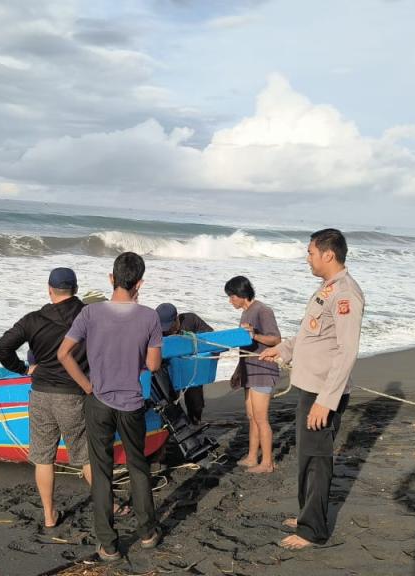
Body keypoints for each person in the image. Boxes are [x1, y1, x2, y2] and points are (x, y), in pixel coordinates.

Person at [259, 228, 364, 550]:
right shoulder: (326, 290)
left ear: (328, 254)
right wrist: (284, 350)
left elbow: (347, 351)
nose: (307, 258)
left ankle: (313, 530)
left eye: (310, 253)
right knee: (306, 457)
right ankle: (307, 515)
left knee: (318, 460)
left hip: (322, 393)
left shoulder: (346, 294)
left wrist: (326, 401)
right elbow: (312, 336)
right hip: (308, 386)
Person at [58, 252, 163, 560]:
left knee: (101, 471)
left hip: (99, 400)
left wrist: (87, 385)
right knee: (137, 466)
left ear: (110, 278)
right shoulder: (149, 316)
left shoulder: (90, 314)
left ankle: (108, 543)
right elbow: (154, 365)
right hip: (131, 403)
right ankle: (147, 533)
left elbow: (64, 354)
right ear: (140, 283)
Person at [0, 267, 91, 530]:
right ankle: (111, 505)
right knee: (85, 457)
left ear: (49, 289)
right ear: (76, 289)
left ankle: (49, 516)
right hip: (73, 395)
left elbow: (2, 347)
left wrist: (24, 369)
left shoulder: (33, 320)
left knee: (43, 458)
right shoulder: (89, 316)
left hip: (41, 395)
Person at [224, 276, 281, 474]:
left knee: (261, 418)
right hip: (250, 371)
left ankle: (267, 463)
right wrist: (238, 372)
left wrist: (254, 335)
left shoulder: (262, 310)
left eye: (231, 296)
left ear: (241, 294)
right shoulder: (246, 313)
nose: (230, 300)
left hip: (264, 370)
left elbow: (275, 339)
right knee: (251, 417)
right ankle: (251, 457)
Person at [155, 302, 214, 424]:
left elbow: (210, 336)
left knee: (196, 403)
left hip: (191, 368)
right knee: (171, 401)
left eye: (170, 326)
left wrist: (190, 341)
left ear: (177, 318)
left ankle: (195, 422)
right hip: (169, 370)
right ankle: (175, 428)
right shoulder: (155, 328)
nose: (167, 330)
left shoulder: (190, 319)